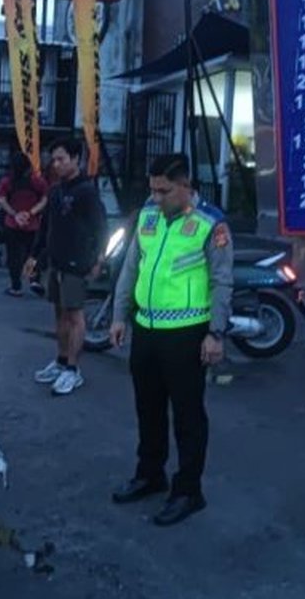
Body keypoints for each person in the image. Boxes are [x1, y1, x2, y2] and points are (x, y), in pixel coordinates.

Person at [107, 153, 233, 527]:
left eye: (164, 191)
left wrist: (216, 332)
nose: (157, 198)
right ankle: (150, 474)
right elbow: (131, 268)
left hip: (188, 334)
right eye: (153, 190)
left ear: (185, 186)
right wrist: (118, 316)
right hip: (146, 330)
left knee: (188, 416)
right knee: (148, 408)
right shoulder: (148, 216)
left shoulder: (211, 223)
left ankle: (188, 491)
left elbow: (222, 280)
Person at [25, 138, 106, 396]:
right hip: (56, 261)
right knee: (59, 313)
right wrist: (35, 256)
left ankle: (73, 370)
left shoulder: (87, 191)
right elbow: (46, 226)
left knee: (74, 315)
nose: (56, 164)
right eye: (54, 159)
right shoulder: (56, 190)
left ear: (76, 159)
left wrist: (98, 260)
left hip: (76, 263)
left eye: (62, 159)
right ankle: (60, 362)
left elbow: (100, 228)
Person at [0, 152, 48, 296]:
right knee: (31, 254)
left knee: (13, 256)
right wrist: (31, 213)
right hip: (32, 224)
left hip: (12, 223)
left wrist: (15, 214)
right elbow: (44, 198)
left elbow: (1, 199)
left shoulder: (7, 182)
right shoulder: (37, 181)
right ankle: (33, 279)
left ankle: (16, 286)